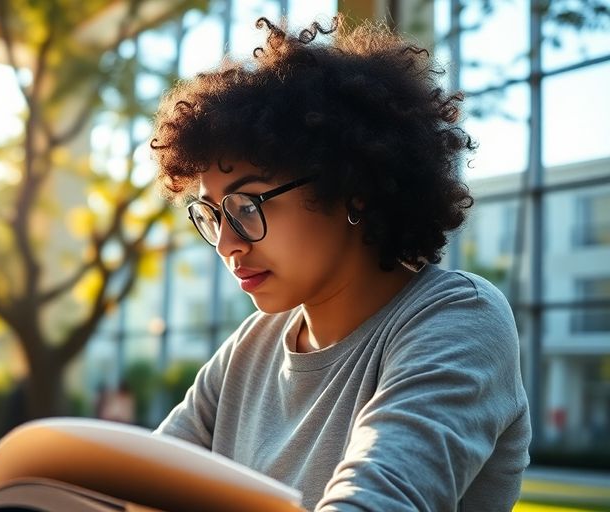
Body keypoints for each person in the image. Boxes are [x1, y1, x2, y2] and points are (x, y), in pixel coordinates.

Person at [148, 15, 531, 511]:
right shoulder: (251, 348)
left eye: (248, 207)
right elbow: (144, 478)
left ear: (353, 192)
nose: (225, 244)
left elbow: (377, 499)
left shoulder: (459, 319)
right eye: (211, 214)